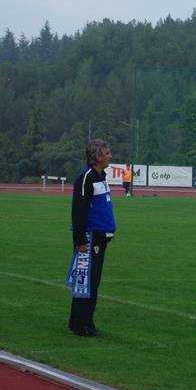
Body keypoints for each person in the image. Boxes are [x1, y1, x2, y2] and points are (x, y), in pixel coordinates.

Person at [66, 139, 116, 337]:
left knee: (92, 282)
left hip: (100, 237)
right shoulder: (86, 178)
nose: (110, 156)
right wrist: (80, 240)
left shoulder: (101, 177)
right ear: (98, 157)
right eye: (107, 153)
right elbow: (78, 211)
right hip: (90, 238)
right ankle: (81, 325)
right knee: (86, 282)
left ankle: (82, 322)